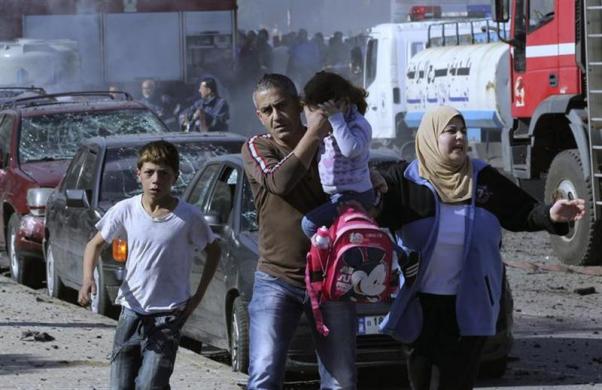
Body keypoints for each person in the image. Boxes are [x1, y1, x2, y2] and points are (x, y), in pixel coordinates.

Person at [376, 105, 585, 390]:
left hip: (469, 305)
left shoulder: (483, 178)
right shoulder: (405, 181)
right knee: (423, 383)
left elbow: (522, 212)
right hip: (420, 307)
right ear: (430, 137)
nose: (460, 137)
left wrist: (550, 215)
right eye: (451, 131)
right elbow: (374, 209)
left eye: (463, 130)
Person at [241, 73, 358, 389]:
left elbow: (354, 178)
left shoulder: (330, 144)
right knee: (264, 373)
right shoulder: (257, 147)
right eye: (267, 111)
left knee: (342, 380)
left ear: (298, 105)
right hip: (276, 279)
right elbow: (280, 181)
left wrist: (373, 180)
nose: (276, 117)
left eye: (282, 106)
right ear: (259, 116)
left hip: (330, 281)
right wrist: (315, 134)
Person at [77, 140, 221, 390]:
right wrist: (87, 279)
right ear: (139, 175)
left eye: (164, 174)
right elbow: (94, 244)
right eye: (149, 173)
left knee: (149, 384)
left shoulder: (187, 217)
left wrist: (197, 297)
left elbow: (214, 249)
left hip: (169, 315)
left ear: (175, 177)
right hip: (131, 312)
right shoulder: (126, 210)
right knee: (120, 385)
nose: (156, 180)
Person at [300, 71, 374, 240]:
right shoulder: (331, 125)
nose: (321, 121)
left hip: (356, 194)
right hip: (335, 195)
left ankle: (396, 253)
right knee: (352, 233)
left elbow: (350, 150)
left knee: (309, 224)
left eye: (324, 115)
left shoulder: (358, 124)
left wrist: (336, 119)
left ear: (343, 103)